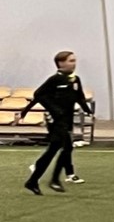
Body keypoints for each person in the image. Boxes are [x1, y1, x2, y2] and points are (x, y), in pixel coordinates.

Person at [21, 51, 91, 195]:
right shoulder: (55, 79)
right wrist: (52, 109)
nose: (74, 63)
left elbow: (79, 97)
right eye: (71, 61)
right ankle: (54, 180)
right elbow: (38, 95)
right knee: (65, 148)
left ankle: (33, 181)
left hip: (67, 119)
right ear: (61, 63)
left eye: (74, 60)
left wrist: (87, 110)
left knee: (54, 150)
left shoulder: (75, 79)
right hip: (57, 120)